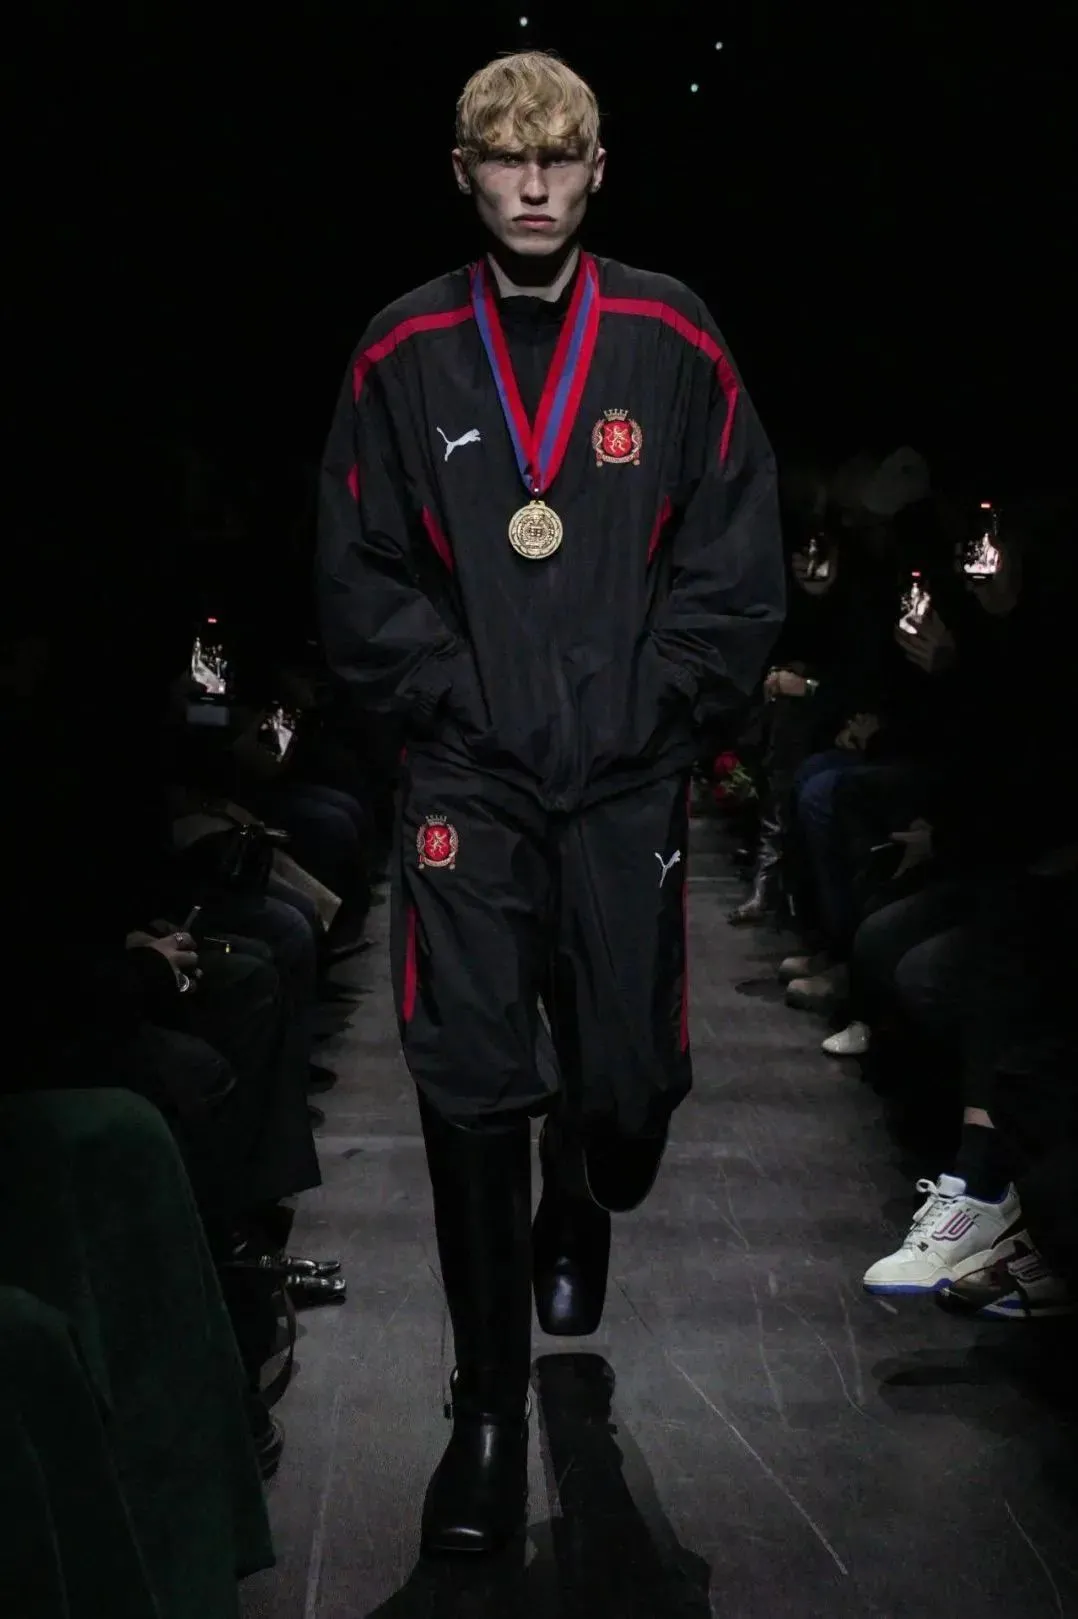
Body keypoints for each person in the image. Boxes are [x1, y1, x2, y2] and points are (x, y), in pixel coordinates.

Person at [317, 51, 783, 1554]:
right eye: (505, 159)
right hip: (468, 776)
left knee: (624, 1093)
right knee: (467, 1079)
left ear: (598, 169)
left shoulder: (667, 331)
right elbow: (357, 565)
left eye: (558, 157)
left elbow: (732, 543)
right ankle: (483, 1416)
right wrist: (448, 696)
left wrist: (662, 700)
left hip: (623, 776)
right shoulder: (403, 349)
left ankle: (581, 1183)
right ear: (462, 173)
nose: (533, 184)